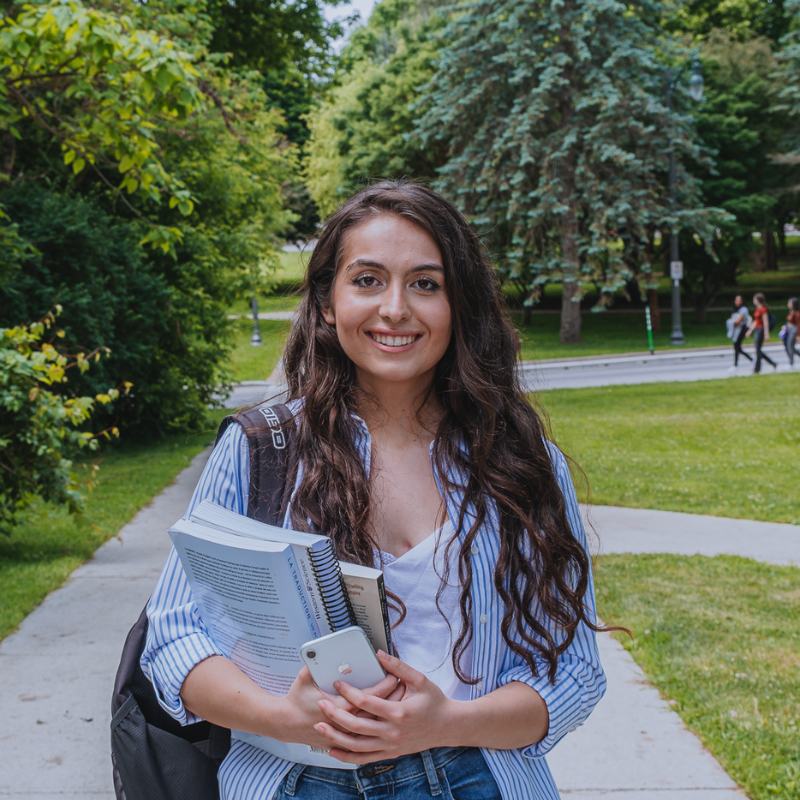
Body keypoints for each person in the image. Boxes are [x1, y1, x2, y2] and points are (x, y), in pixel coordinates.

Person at [141, 181, 606, 800]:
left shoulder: (524, 464)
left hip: (478, 778)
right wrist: (283, 717)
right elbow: (173, 636)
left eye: (425, 283)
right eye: (367, 280)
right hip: (297, 781)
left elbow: (573, 673)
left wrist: (449, 722)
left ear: (459, 304)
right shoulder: (263, 449)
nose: (395, 308)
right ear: (328, 302)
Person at [746, 292, 777, 374]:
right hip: (757, 329)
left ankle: (757, 369)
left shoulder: (763, 309)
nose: (753, 300)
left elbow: (765, 322)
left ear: (758, 300)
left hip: (761, 330)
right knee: (757, 350)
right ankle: (772, 363)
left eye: (754, 299)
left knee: (757, 350)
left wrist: (766, 333)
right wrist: (750, 330)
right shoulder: (757, 309)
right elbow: (756, 321)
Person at [727, 294, 752, 372]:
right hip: (737, 330)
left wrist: (735, 322)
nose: (737, 302)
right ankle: (752, 360)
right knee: (738, 348)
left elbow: (737, 321)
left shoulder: (743, 309)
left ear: (742, 301)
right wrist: (735, 322)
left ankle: (735, 365)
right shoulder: (736, 310)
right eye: (736, 300)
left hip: (742, 330)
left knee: (737, 347)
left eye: (739, 300)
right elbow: (735, 321)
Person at [780, 297, 800, 368]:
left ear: (794, 304)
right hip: (789, 329)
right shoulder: (791, 311)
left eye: (790, 303)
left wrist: (798, 335)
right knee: (791, 348)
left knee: (790, 347)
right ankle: (790, 362)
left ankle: (791, 363)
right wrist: (786, 326)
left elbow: (798, 324)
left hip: (794, 331)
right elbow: (790, 322)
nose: (788, 304)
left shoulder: (797, 313)